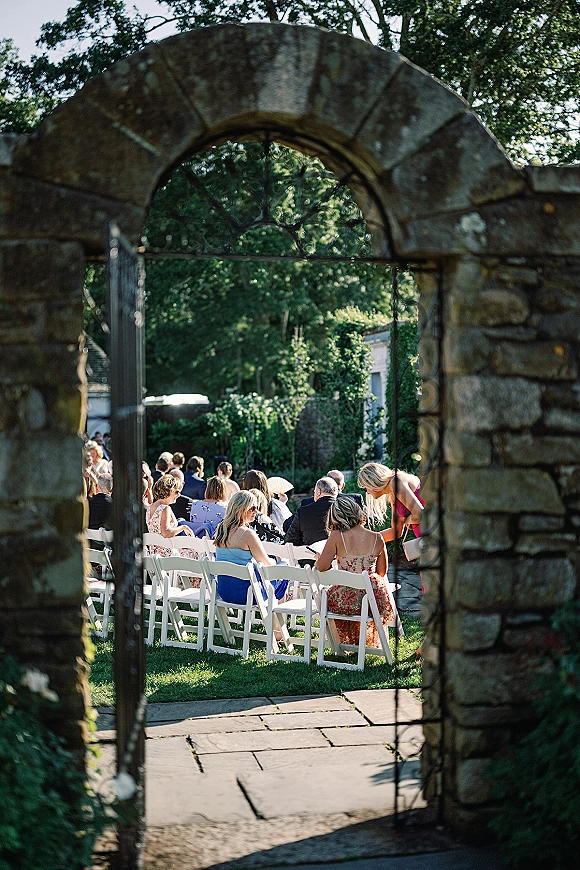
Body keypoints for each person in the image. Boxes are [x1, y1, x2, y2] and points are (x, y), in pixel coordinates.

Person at [317, 494, 395, 648]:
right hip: (372, 598)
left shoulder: (337, 536)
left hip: (345, 599)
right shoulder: (378, 538)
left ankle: (339, 645)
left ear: (337, 517)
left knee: (323, 599)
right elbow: (381, 572)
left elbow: (321, 567)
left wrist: (318, 558)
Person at [214, 491, 289, 606]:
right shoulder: (247, 534)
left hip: (225, 592)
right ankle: (277, 620)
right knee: (284, 568)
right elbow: (267, 564)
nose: (256, 511)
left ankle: (275, 619)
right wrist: (277, 561)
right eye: (253, 508)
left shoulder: (221, 529)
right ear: (241, 509)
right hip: (248, 594)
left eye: (257, 507)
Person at [357, 462, 423, 542]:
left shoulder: (396, 482)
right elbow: (396, 531)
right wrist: (368, 541)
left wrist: (405, 520)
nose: (367, 493)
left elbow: (421, 515)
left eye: (365, 489)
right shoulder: (393, 491)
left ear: (372, 484)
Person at [145, 474, 196, 557]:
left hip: (154, 554)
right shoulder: (165, 509)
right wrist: (183, 527)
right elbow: (166, 533)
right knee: (195, 552)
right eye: (177, 492)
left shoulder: (150, 507)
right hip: (167, 555)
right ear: (168, 491)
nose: (179, 495)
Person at [284, 476, 338, 547]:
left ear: (319, 491)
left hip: (310, 555)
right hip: (340, 556)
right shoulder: (347, 509)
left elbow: (290, 539)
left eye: (314, 492)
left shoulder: (303, 512)